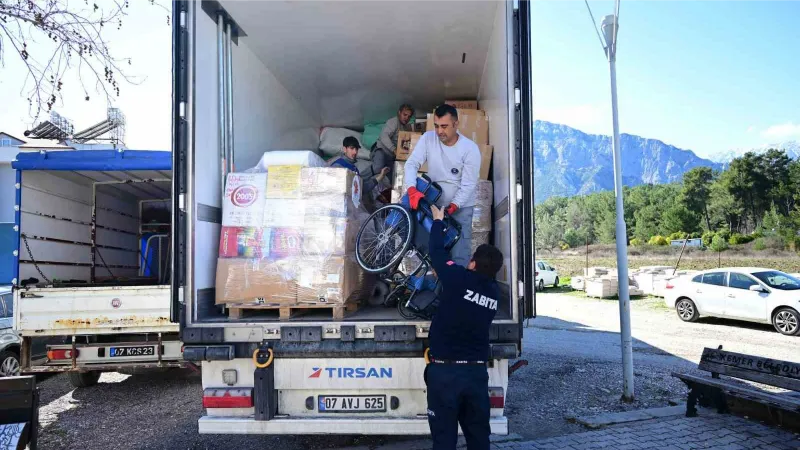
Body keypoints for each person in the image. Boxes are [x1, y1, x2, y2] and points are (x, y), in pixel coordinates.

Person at [425, 204, 503, 450]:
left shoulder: (458, 279)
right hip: (475, 376)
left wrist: (438, 221)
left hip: (445, 374)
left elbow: (437, 253)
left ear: (472, 264)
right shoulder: (494, 294)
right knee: (479, 438)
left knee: (444, 440)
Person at [403, 104, 481, 266]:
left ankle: (457, 288)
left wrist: (454, 205)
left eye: (444, 126)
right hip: (434, 204)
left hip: (461, 208)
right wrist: (411, 189)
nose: (439, 132)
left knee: (459, 252)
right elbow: (411, 164)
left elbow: (468, 185)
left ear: (456, 124)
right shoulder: (428, 138)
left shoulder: (470, 149)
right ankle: (434, 288)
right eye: (436, 126)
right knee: (431, 250)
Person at [329, 136, 389, 205]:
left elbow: (360, 189)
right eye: (352, 148)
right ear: (344, 149)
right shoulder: (338, 166)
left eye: (356, 149)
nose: (355, 152)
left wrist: (380, 177)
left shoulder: (354, 168)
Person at [371, 103, 415, 185]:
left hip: (391, 157)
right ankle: (363, 179)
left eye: (409, 116)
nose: (406, 118)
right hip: (381, 150)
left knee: (394, 179)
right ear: (399, 113)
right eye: (404, 115)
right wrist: (394, 149)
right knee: (377, 169)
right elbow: (384, 136)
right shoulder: (394, 122)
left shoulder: (406, 127)